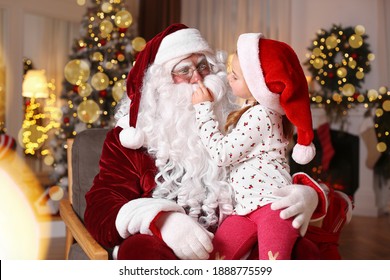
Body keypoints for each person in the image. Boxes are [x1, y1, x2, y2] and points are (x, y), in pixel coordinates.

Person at [84, 23, 334, 260]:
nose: (197, 79)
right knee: (141, 251)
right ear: (159, 84)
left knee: (302, 251)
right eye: (184, 70)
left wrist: (307, 194)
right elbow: (101, 206)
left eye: (203, 66)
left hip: (240, 237)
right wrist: (161, 220)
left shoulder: (240, 118)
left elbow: (272, 169)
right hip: (168, 249)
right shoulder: (130, 137)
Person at [192, 33, 320, 260]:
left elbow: (222, 154)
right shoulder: (251, 111)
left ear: (256, 84)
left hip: (273, 207)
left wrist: (203, 109)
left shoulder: (261, 115)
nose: (229, 79)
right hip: (244, 210)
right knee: (216, 259)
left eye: (235, 76)